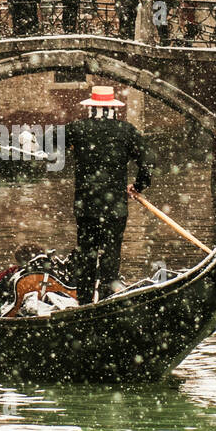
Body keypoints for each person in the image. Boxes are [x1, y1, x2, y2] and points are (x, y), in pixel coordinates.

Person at [64, 85, 154, 304]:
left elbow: (49, 148)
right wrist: (139, 186)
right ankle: (107, 297)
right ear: (114, 109)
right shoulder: (127, 131)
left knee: (87, 253)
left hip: (86, 206)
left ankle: (84, 301)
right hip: (115, 207)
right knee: (111, 253)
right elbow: (148, 163)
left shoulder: (76, 128)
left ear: (91, 108)